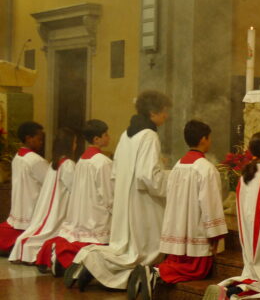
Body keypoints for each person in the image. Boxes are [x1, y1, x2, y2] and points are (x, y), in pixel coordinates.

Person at [65, 90, 171, 292]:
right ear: (153, 112)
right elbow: (148, 176)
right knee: (145, 251)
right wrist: (169, 177)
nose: (166, 116)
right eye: (164, 111)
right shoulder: (149, 135)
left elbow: (116, 170)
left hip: (125, 196)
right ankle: (93, 260)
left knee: (125, 246)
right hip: (142, 200)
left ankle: (92, 262)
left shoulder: (126, 134)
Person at [128, 120, 228, 300]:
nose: (210, 141)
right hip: (196, 233)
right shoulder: (206, 169)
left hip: (178, 231)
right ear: (204, 139)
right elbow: (210, 204)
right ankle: (155, 273)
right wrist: (215, 233)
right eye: (209, 138)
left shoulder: (177, 166)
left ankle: (154, 272)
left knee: (179, 262)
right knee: (197, 269)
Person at [204, 132, 260, 300]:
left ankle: (224, 287)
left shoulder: (245, 176)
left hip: (248, 232)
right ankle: (230, 293)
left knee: (252, 270)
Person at [35, 120, 113, 277]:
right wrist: (116, 210)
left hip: (82, 212)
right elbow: (108, 193)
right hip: (96, 215)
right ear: (96, 139)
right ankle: (67, 262)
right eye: (105, 135)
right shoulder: (103, 162)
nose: (109, 137)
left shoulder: (82, 160)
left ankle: (57, 256)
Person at [9, 127, 77, 264]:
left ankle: (24, 250)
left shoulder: (54, 162)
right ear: (69, 145)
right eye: (74, 142)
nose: (76, 145)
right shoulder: (67, 164)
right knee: (47, 232)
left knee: (38, 231)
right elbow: (74, 188)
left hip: (46, 203)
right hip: (58, 203)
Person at [0, 122, 48, 254]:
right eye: (39, 139)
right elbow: (51, 184)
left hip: (19, 210)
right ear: (28, 138)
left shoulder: (17, 157)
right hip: (33, 211)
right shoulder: (36, 160)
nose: (41, 142)